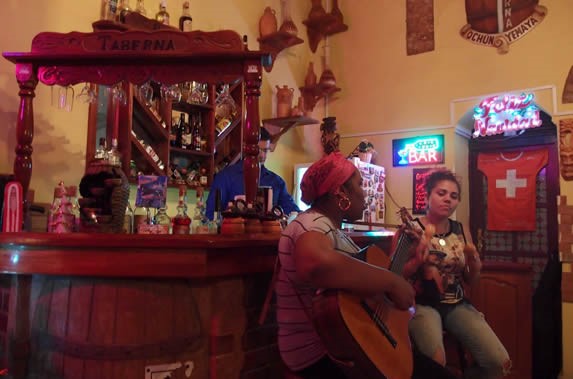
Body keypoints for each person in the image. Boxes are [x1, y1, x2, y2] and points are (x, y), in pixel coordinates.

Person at [275, 151, 458, 379]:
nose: (366, 193)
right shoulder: (311, 223)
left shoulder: (330, 229)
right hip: (323, 355)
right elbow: (314, 264)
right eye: (360, 185)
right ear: (340, 192)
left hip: (347, 345)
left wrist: (401, 260)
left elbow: (360, 291)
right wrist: (391, 282)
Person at [398, 168, 511, 379]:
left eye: (454, 196)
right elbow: (396, 275)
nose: (448, 200)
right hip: (422, 304)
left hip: (457, 304)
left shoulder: (460, 229)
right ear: (428, 196)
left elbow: (470, 279)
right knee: (436, 363)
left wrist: (474, 263)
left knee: (498, 362)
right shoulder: (411, 228)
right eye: (441, 193)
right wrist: (418, 261)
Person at [205, 127, 300, 219]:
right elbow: (211, 215)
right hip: (235, 233)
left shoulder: (276, 182)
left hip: (268, 234)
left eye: (266, 150)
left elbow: (294, 213)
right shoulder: (225, 177)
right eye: (259, 150)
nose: (263, 156)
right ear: (247, 148)